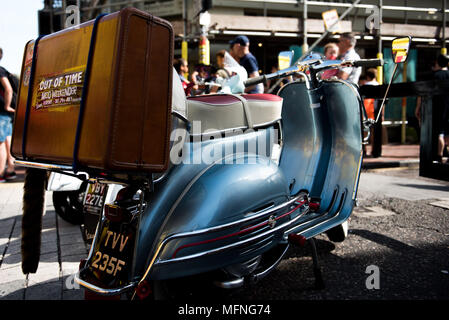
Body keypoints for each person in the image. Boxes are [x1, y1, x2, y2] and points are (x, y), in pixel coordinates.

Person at [415, 53, 449, 163]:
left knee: (438, 132)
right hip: (448, 106)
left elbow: (423, 93)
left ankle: (438, 156)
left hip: (436, 107)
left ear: (437, 62)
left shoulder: (434, 76)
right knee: (446, 132)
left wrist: (418, 107)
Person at [0, 47, 16, 182]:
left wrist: (6, 106)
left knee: (0, 143)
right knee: (7, 141)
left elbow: (8, 89)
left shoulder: (0, 71)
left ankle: (0, 174)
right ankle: (10, 170)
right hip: (6, 113)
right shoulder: (4, 69)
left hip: (2, 112)